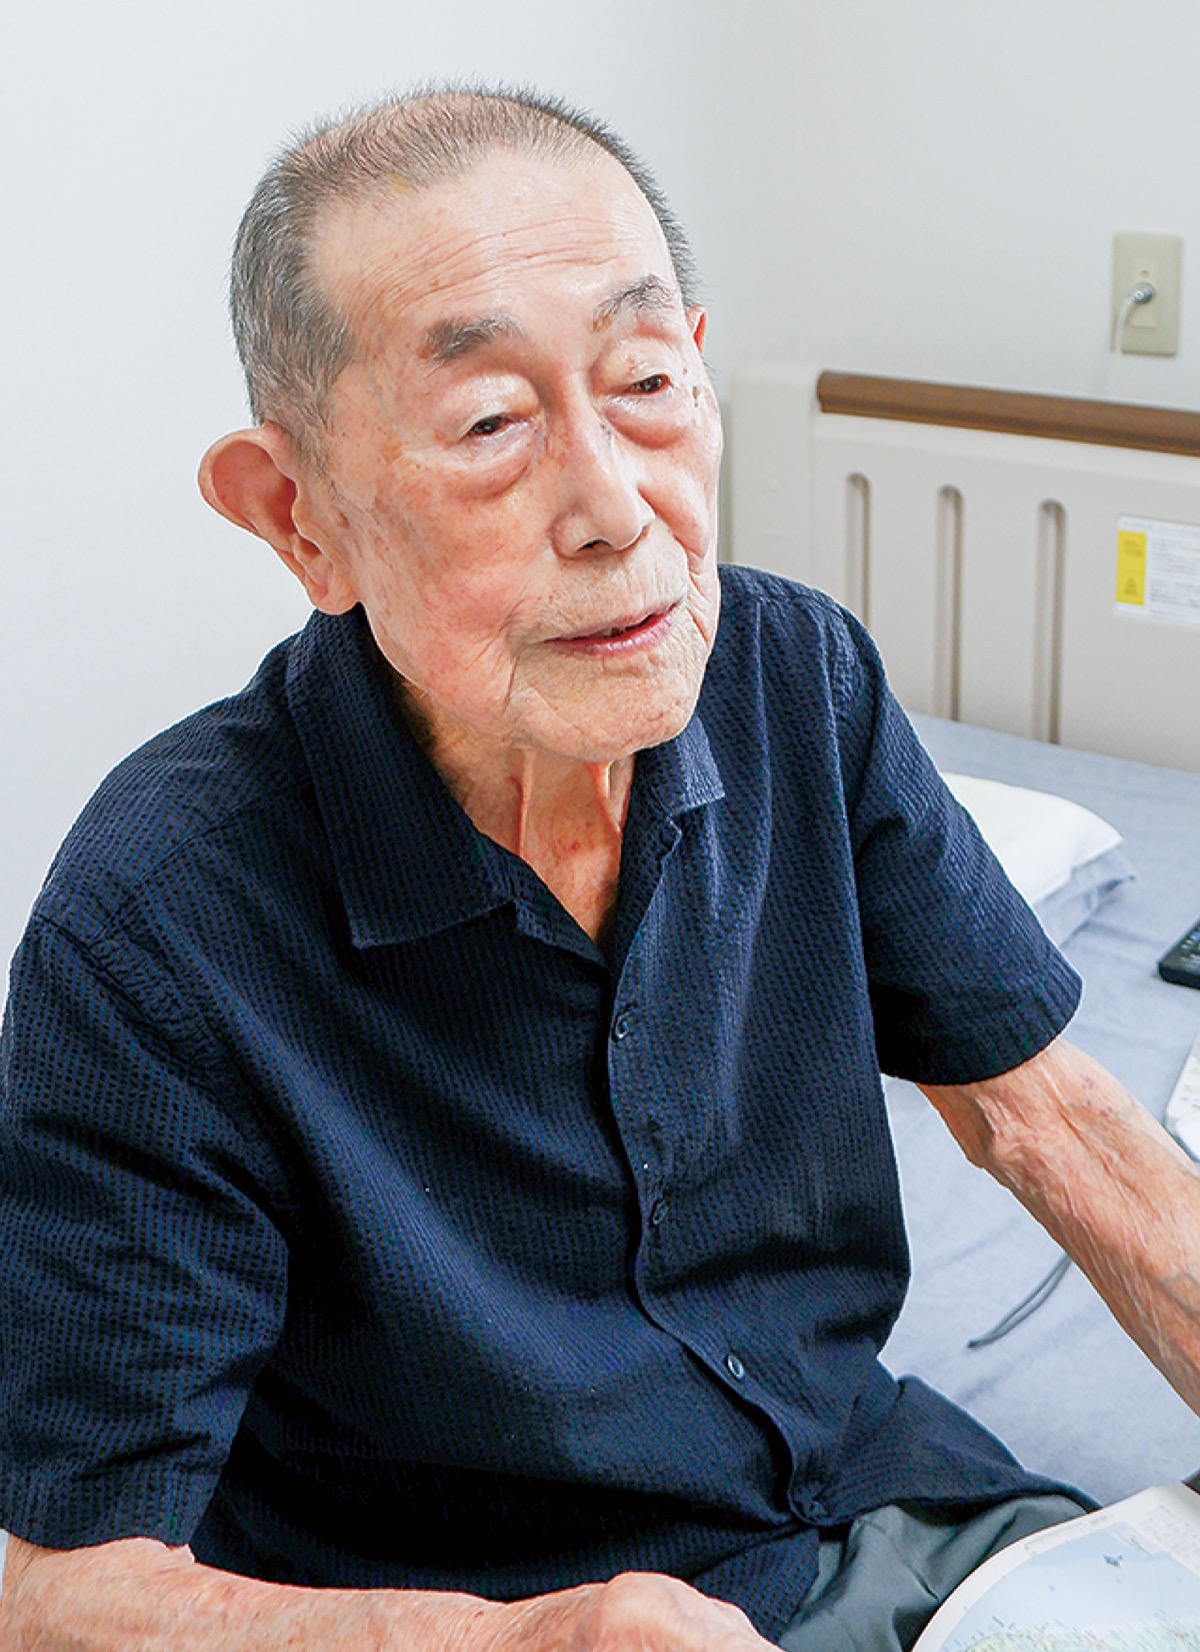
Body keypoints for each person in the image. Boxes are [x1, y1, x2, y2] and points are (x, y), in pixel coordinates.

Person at [2, 86, 1199, 1652]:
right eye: (491, 425)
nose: (620, 510)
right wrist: (530, 1643)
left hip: (879, 1497)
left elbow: (1054, 1124)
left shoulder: (798, 679)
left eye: (645, 384)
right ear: (301, 519)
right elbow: (58, 1593)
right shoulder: (158, 919)